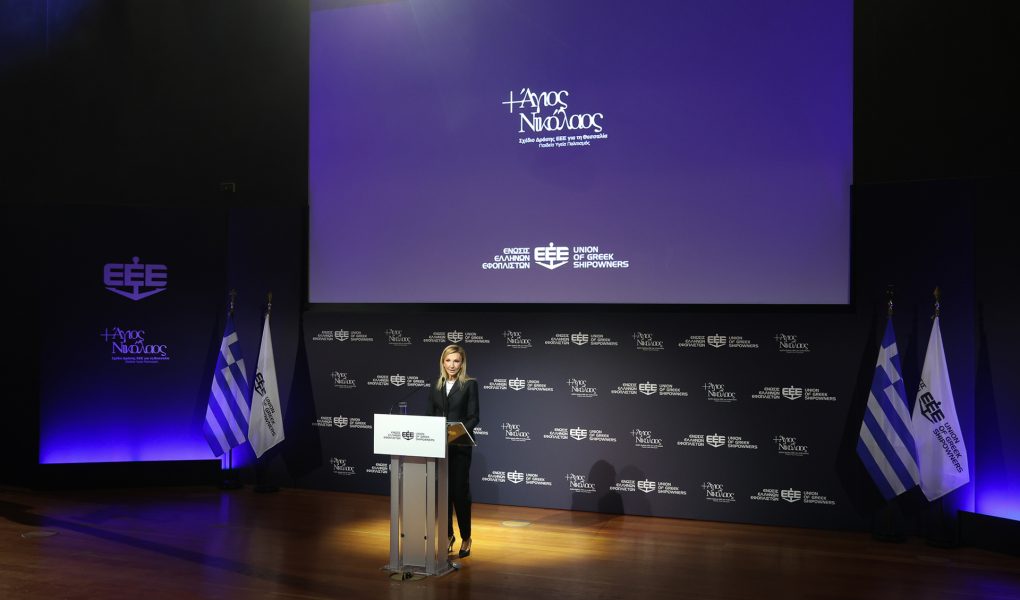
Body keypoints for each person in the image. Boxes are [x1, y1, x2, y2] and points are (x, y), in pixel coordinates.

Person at [427, 344, 479, 558]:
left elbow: (474, 417)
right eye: (448, 360)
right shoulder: (436, 385)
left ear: (462, 363)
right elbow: (429, 415)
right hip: (439, 449)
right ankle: (448, 535)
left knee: (459, 493)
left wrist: (453, 433)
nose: (452, 365)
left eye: (456, 361)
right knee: (443, 494)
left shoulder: (469, 384)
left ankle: (466, 537)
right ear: (443, 362)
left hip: (460, 447)